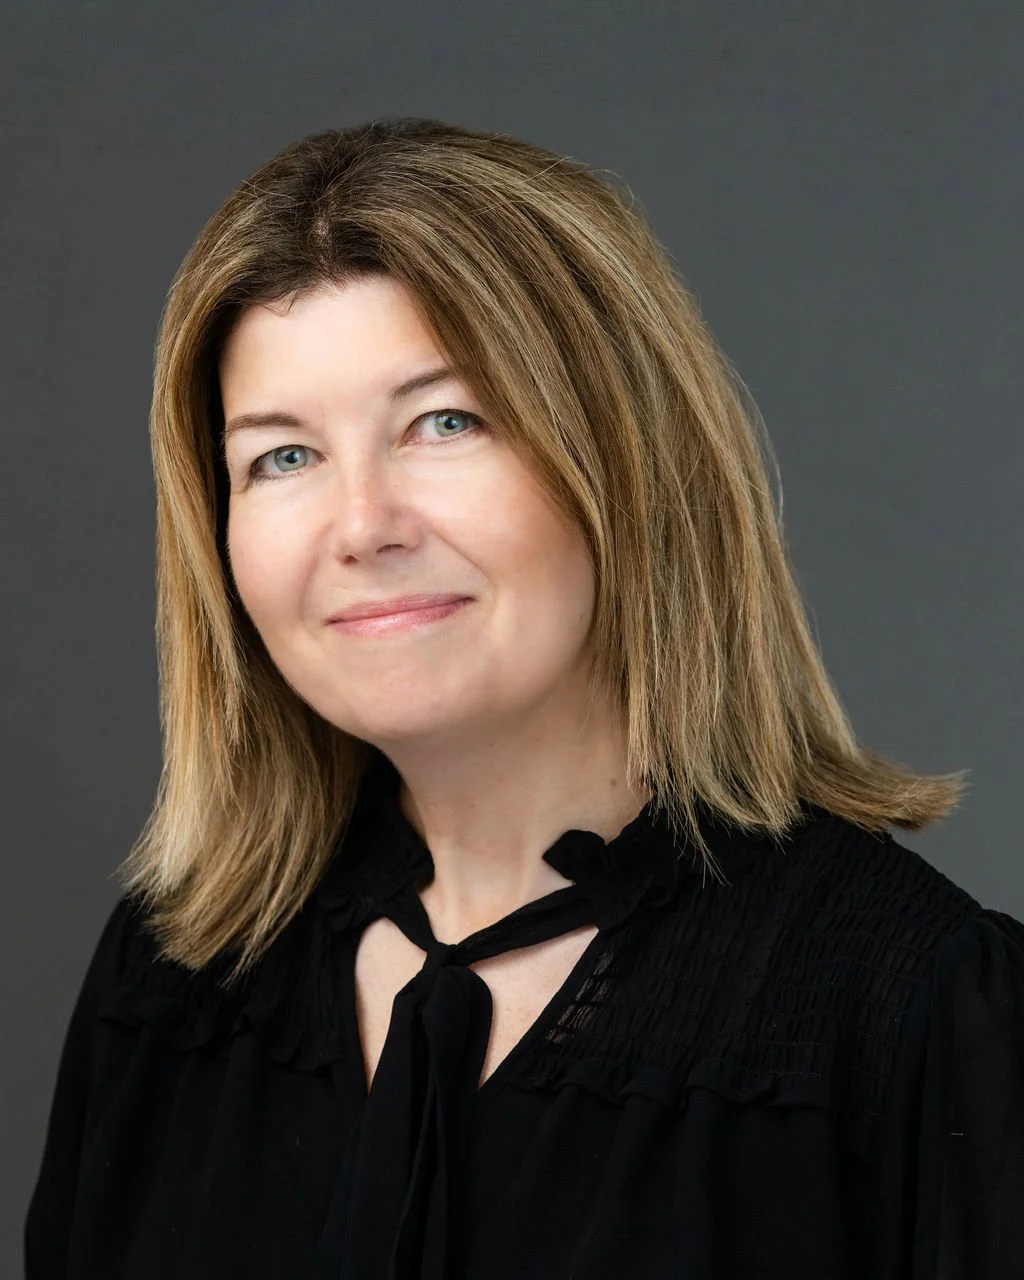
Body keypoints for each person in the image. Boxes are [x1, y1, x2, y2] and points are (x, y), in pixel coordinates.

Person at [24, 117, 1023, 1279]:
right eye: (281, 455)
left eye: (445, 422)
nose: (362, 526)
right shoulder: (173, 977)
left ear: (627, 455)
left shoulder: (914, 1006)